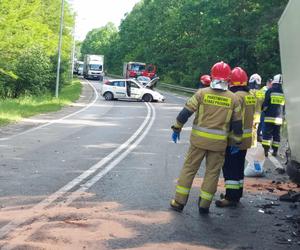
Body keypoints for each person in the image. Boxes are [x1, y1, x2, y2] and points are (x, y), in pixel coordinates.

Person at [170, 61, 243, 214]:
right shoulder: (233, 99)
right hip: (218, 145)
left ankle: (179, 202)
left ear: (212, 76)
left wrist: (177, 127)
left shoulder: (202, 93)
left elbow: (186, 112)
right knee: (212, 173)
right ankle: (204, 205)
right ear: (228, 79)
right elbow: (237, 124)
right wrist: (236, 142)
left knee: (189, 169)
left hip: (198, 142)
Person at [215, 67, 256, 207]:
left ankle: (230, 198)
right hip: (245, 140)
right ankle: (237, 194)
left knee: (230, 168)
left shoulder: (236, 96)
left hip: (234, 139)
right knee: (238, 168)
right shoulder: (250, 95)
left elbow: (233, 119)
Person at [262, 74, 285, 157]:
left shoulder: (270, 90)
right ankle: (275, 151)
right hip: (279, 118)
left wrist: (263, 110)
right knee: (276, 134)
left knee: (267, 134)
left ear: (274, 81)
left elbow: (265, 104)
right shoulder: (284, 92)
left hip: (269, 117)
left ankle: (266, 150)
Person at [248, 73, 264, 146]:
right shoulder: (262, 93)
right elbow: (263, 106)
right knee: (254, 132)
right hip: (257, 117)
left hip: (247, 116)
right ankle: (253, 146)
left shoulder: (247, 92)